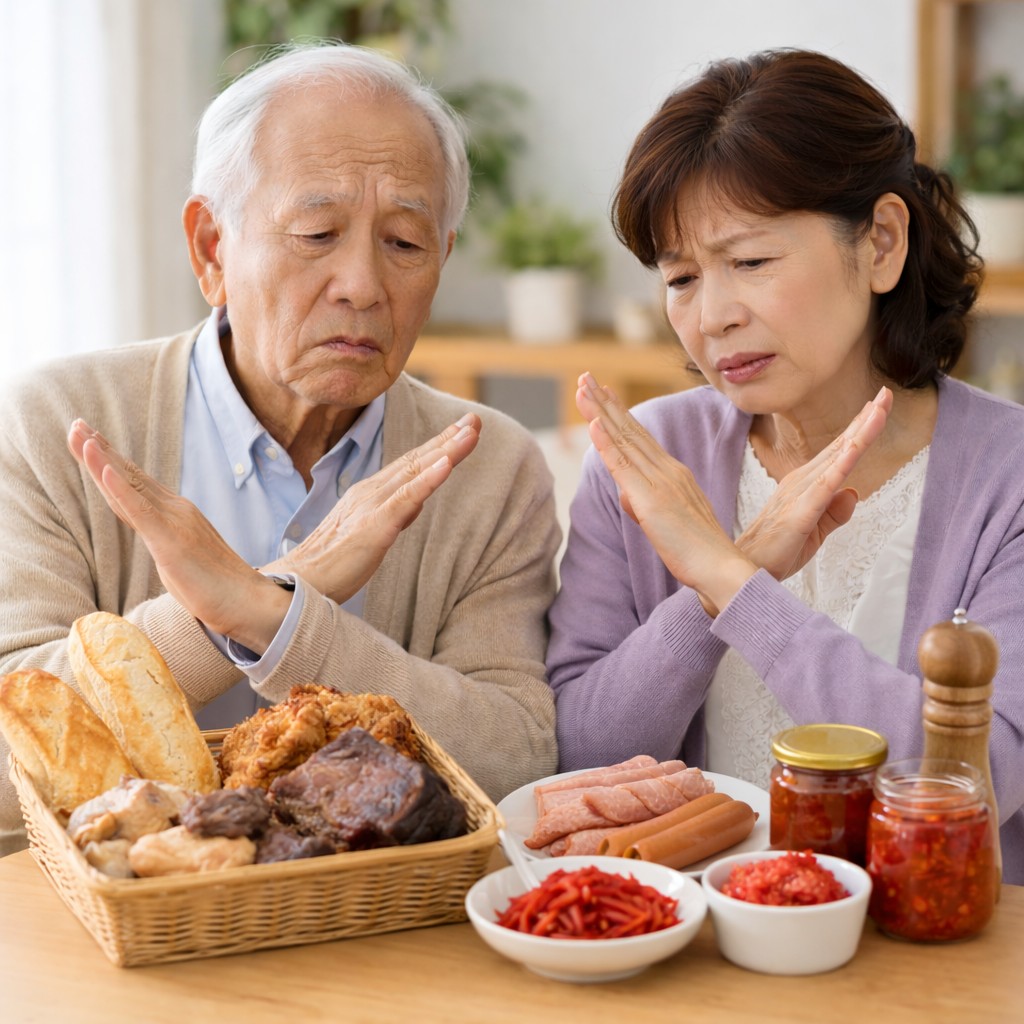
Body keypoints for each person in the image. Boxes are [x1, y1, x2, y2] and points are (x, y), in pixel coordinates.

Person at [0, 41, 560, 856]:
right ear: (211, 249)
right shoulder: (62, 419)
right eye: (316, 231)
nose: (363, 284)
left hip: (373, 935)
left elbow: (515, 761)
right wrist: (213, 619)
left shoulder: (490, 467)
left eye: (404, 242)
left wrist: (272, 612)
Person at [546, 49, 1024, 884]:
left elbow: (977, 783)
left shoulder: (1007, 476)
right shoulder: (646, 465)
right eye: (682, 278)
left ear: (881, 242)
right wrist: (703, 603)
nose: (714, 316)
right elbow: (579, 755)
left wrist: (734, 583)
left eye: (752, 262)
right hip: (690, 945)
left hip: (930, 955)